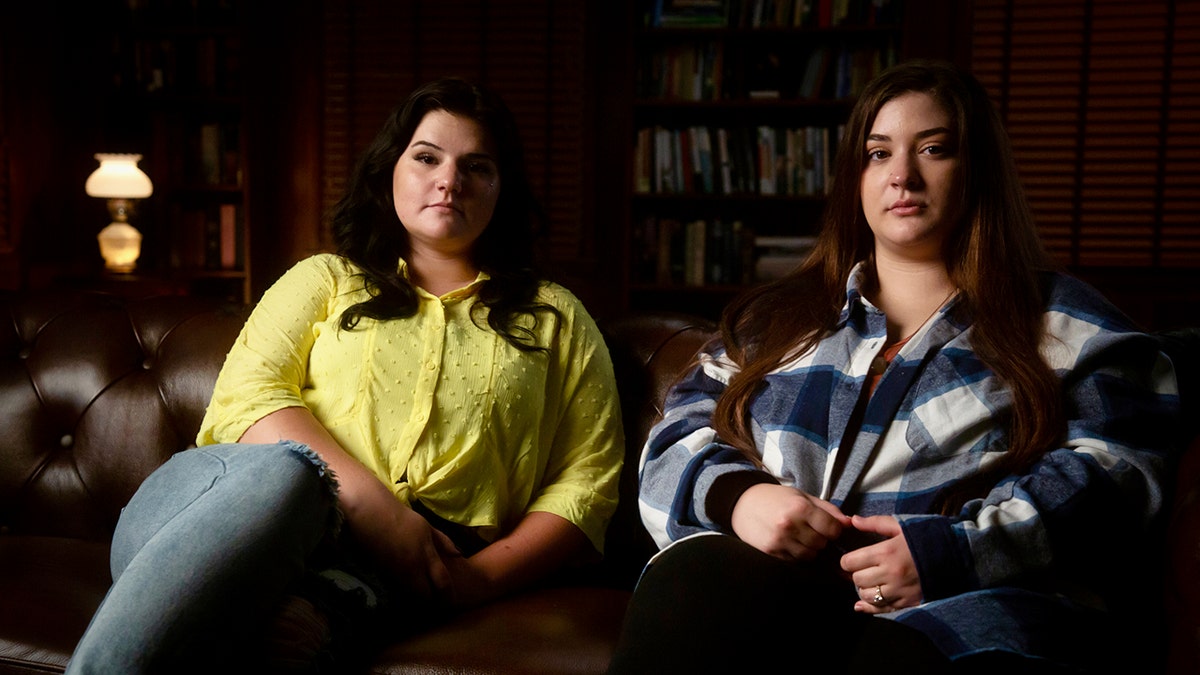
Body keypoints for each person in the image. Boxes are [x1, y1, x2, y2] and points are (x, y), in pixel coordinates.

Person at [607, 60, 1179, 674]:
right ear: (856, 176)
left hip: (964, 607)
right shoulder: (778, 320)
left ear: (978, 168)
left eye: (933, 150)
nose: (902, 175)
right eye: (879, 154)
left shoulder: (1068, 323)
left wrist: (954, 553)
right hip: (771, 589)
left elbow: (1115, 471)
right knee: (696, 577)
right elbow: (677, 431)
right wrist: (742, 499)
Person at [66, 77, 625, 674]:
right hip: (212, 516)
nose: (449, 180)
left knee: (283, 637)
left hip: (384, 574)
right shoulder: (325, 278)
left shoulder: (555, 317)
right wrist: (377, 510)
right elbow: (248, 399)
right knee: (292, 472)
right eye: (427, 157)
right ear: (391, 170)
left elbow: (586, 481)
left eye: (477, 166)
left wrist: (477, 581)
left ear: (501, 188)